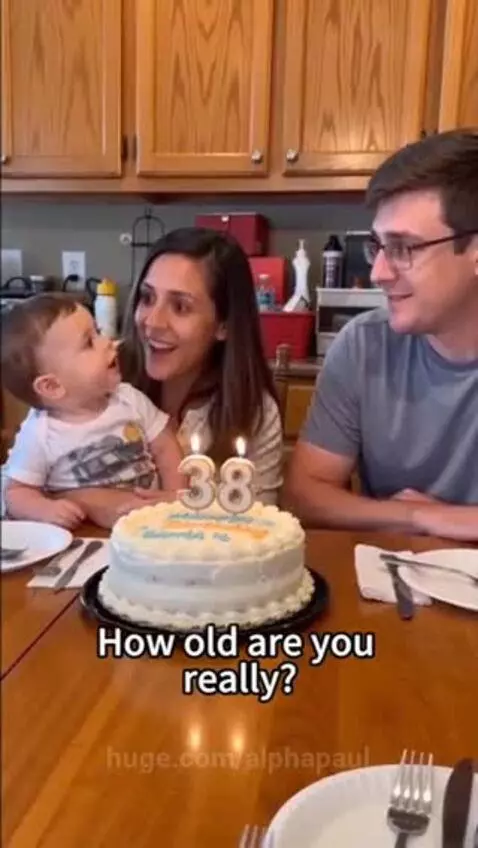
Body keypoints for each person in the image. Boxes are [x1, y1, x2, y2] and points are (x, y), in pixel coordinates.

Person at [283, 129, 478, 541]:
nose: (378, 273)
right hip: (393, 587)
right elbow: (304, 494)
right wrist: (419, 518)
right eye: (379, 247)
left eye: (404, 248)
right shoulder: (364, 345)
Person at [54, 227, 283, 527]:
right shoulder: (91, 374)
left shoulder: (253, 410)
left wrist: (193, 509)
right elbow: (18, 490)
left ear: (224, 325)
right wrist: (92, 502)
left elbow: (262, 526)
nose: (152, 321)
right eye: (147, 298)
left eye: (181, 307)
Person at [1, 294, 185, 528]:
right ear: (52, 386)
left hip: (150, 527)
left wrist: (176, 495)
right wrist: (45, 509)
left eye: (97, 331)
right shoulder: (40, 434)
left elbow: (166, 446)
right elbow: (17, 492)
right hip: (89, 535)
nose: (107, 341)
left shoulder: (129, 398)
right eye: (89, 342)